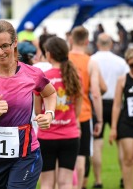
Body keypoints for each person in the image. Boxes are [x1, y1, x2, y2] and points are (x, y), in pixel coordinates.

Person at [0, 19, 57, 189]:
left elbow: (50, 93)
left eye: (5, 46)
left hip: (26, 154)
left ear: (15, 43)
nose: (0, 52)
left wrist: (49, 113)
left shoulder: (32, 74)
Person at [35, 36, 82, 189]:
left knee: (47, 183)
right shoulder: (75, 75)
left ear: (49, 54)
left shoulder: (42, 77)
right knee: (66, 182)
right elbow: (78, 109)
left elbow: (37, 111)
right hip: (70, 135)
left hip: (47, 135)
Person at [90, 33, 129, 188]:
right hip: (116, 104)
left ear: (98, 44)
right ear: (112, 44)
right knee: (121, 143)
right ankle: (123, 177)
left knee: (97, 144)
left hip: (96, 103)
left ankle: (98, 181)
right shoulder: (120, 62)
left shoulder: (92, 60)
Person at [68, 26, 103, 189]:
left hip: (65, 114)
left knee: (65, 159)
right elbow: (95, 92)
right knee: (82, 157)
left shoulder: (64, 59)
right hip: (84, 114)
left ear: (71, 40)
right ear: (87, 41)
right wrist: (100, 120)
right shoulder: (91, 62)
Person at [109, 48, 133, 189]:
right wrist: (113, 128)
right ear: (127, 64)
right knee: (128, 159)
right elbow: (117, 104)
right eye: (132, 65)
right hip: (127, 123)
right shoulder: (122, 80)